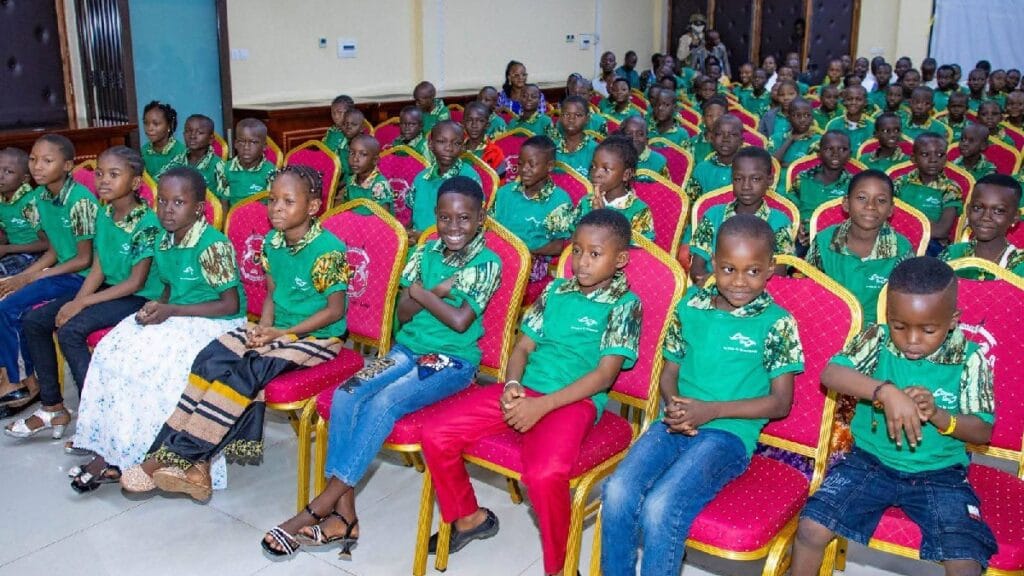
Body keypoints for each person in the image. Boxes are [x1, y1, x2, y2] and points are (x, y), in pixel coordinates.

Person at [261, 175, 500, 558]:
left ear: (480, 218)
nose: (453, 227)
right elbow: (403, 313)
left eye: (464, 218)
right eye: (445, 218)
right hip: (407, 348)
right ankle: (345, 516)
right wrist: (432, 293)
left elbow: (459, 322)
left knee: (384, 402)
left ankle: (319, 507)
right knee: (347, 394)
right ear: (435, 216)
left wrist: (421, 293)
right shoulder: (424, 252)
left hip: (451, 360)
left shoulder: (486, 262)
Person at [422, 208, 642, 576]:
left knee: (544, 475)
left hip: (574, 400)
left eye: (595, 254)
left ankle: (561, 567)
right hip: (526, 389)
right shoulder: (556, 290)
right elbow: (523, 347)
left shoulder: (625, 304)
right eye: (577, 250)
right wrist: (511, 385)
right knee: (436, 433)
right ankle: (469, 518)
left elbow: (605, 376)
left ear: (620, 260)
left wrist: (542, 407)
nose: (582, 262)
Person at [128, 165, 349, 501]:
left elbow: (334, 312)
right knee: (211, 359)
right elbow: (273, 294)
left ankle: (174, 455)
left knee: (248, 370)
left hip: (319, 336)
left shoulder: (328, 249)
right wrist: (264, 328)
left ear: (313, 207)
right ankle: (196, 466)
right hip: (277, 328)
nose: (276, 208)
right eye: (272, 199)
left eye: (288, 201)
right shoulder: (272, 242)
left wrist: (282, 333)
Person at [601, 214, 803, 576]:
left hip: (728, 435)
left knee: (661, 506)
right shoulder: (690, 306)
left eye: (753, 271)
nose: (739, 281)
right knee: (617, 490)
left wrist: (711, 411)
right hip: (676, 422)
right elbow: (670, 372)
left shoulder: (777, 322)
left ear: (771, 268)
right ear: (713, 262)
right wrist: (674, 405)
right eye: (728, 269)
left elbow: (780, 402)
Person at [792, 257, 998, 576]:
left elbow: (982, 431)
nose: (912, 340)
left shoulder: (970, 359)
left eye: (928, 330)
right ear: (889, 315)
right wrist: (884, 391)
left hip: (941, 472)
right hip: (868, 461)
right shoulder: (878, 338)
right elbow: (831, 374)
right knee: (810, 529)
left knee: (965, 560)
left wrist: (940, 416)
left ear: (953, 320)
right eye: (900, 326)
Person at [69, 166, 246, 493]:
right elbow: (168, 286)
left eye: (178, 202)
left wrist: (172, 309)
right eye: (162, 201)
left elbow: (229, 305)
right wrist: (157, 305)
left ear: (198, 207)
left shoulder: (212, 245)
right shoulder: (163, 239)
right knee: (112, 352)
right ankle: (113, 449)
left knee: (156, 369)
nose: (167, 209)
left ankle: (158, 457)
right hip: (178, 314)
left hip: (215, 323)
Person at [7, 145, 162, 442]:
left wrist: (83, 303)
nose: (103, 180)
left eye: (114, 175)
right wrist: (77, 302)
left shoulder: (147, 223)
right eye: (100, 174)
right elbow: (98, 269)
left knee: (70, 331)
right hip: (108, 288)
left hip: (139, 296)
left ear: (135, 182)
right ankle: (53, 407)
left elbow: (135, 282)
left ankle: (97, 420)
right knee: (35, 321)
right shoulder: (105, 213)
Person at [0, 135, 97, 413]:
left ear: (67, 165)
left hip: (83, 277)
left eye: (47, 160)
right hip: (60, 272)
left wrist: (35, 277)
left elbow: (84, 259)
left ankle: (22, 382)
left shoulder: (80, 200)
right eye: (33, 159)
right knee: (7, 292)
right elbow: (54, 250)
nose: (37, 166)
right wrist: (20, 278)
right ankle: (17, 376)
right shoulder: (42, 198)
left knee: (9, 307)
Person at [806, 169, 913, 324]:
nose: (871, 206)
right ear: (846, 203)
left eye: (881, 200)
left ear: (891, 209)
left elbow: (905, 306)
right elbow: (808, 293)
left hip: (878, 330)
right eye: (862, 198)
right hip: (828, 324)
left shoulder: (901, 249)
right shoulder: (824, 241)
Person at [689, 147, 794, 287]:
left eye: (755, 179)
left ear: (770, 180)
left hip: (760, 294)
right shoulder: (713, 215)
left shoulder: (779, 222)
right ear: (732, 179)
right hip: (712, 291)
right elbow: (696, 270)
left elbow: (777, 277)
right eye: (738, 179)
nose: (746, 186)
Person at [489, 135, 573, 298]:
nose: (524, 169)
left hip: (532, 260)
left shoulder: (559, 200)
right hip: (497, 255)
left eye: (532, 165)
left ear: (549, 166)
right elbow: (489, 228)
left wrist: (521, 251)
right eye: (521, 164)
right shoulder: (504, 193)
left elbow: (558, 246)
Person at [407, 121, 481, 239]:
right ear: (430, 144)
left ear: (463, 147)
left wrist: (425, 237)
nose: (448, 148)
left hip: (453, 244)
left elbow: (472, 227)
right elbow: (413, 217)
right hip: (417, 243)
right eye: (441, 141)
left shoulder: (469, 180)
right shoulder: (421, 178)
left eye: (456, 143)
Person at [940, 174, 1024, 278]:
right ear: (968, 210)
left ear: (1015, 217)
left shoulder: (1020, 265)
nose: (985, 217)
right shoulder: (952, 255)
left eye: (999, 211)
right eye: (977, 208)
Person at [893, 132, 961, 256]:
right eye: (925, 154)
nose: (933, 160)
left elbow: (941, 230)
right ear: (913, 158)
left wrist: (905, 226)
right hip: (898, 240)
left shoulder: (950, 188)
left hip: (931, 245)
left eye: (940, 154)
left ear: (946, 158)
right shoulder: (900, 183)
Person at [785, 130, 853, 250]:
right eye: (829, 149)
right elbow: (789, 207)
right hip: (802, 238)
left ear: (850, 154)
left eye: (842, 149)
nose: (835, 154)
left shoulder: (854, 184)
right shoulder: (803, 178)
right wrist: (797, 226)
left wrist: (820, 235)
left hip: (835, 240)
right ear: (819, 153)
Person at [0, 148, 47, 279]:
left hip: (36, 254)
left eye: (8, 172)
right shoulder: (2, 200)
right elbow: (8, 233)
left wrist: (6, 249)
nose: (0, 176)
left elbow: (46, 244)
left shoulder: (30, 203)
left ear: (24, 179)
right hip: (13, 251)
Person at [213, 118, 276, 209]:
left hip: (260, 216)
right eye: (241, 141)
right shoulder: (225, 169)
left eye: (253, 142)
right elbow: (224, 201)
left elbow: (272, 203)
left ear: (264, 146)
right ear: (235, 144)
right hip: (234, 216)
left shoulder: (270, 172)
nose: (246, 147)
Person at [686, 114, 744, 202]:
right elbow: (691, 203)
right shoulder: (701, 169)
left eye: (732, 135)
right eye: (719, 134)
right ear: (712, 139)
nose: (725, 139)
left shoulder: (749, 171)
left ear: (741, 141)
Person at [171, 114, 224, 193]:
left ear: (211, 139)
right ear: (183, 134)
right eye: (188, 131)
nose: (192, 136)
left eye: (200, 132)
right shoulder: (178, 159)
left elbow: (224, 197)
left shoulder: (218, 166)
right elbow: (158, 182)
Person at [342, 134, 393, 214]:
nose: (355, 159)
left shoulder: (380, 185)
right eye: (352, 153)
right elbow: (346, 208)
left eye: (363, 154)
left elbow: (383, 218)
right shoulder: (350, 180)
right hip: (354, 220)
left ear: (375, 160)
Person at [550, 96, 599, 177]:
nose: (571, 119)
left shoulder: (596, 150)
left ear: (587, 119)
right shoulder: (550, 148)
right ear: (560, 117)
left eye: (578, 115)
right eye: (566, 114)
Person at [140, 100, 186, 179]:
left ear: (169, 125)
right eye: (146, 123)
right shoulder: (143, 151)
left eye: (156, 124)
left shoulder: (181, 152)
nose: (149, 128)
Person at [770, 98, 820, 168]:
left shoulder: (817, 140)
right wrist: (790, 140)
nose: (802, 120)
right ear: (788, 118)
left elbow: (810, 168)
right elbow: (771, 164)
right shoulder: (776, 138)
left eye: (807, 115)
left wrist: (783, 164)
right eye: (797, 115)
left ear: (812, 118)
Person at [825, 84, 874, 154]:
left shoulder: (873, 126)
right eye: (849, 99)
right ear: (844, 101)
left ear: (865, 102)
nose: (853, 102)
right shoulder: (833, 124)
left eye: (858, 99)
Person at [462, 102, 506, 175]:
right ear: (463, 123)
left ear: (487, 125)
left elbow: (500, 180)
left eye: (480, 121)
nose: (474, 125)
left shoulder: (495, 153)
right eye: (469, 120)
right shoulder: (456, 149)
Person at [685, 95, 729, 166]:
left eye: (719, 116)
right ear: (703, 119)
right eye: (709, 116)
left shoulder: (732, 143)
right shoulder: (692, 143)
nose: (714, 120)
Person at [620, 115, 668, 180]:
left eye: (640, 134)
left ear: (646, 139)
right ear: (622, 136)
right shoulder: (614, 157)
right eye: (629, 133)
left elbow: (664, 186)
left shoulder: (659, 161)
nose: (634, 138)